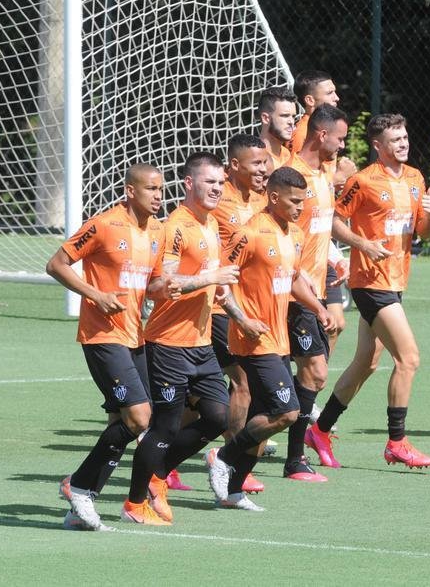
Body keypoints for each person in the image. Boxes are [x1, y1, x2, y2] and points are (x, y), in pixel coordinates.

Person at [306, 113, 430, 469]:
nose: (403, 143)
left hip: (396, 281)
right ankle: (397, 441)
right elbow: (334, 220)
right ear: (378, 146)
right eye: (395, 140)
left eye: (405, 137)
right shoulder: (363, 181)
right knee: (408, 358)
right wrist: (362, 244)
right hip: (370, 283)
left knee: (367, 362)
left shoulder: (415, 178)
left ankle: (319, 430)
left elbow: (424, 232)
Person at [121, 153, 241, 524]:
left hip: (200, 343)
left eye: (220, 183)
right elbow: (164, 286)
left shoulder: (209, 225)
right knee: (165, 426)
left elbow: (209, 279)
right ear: (189, 184)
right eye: (209, 182)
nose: (217, 189)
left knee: (218, 416)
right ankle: (134, 503)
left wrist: (237, 313)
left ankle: (159, 475)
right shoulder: (176, 225)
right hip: (168, 342)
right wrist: (210, 279)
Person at [204, 166, 333, 510]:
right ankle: (222, 456)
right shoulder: (248, 235)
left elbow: (290, 281)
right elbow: (221, 282)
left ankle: (232, 492)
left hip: (278, 339)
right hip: (252, 339)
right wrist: (241, 319)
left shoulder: (293, 233)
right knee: (287, 412)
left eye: (303, 201)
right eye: (293, 201)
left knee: (263, 418)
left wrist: (319, 308)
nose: (299, 208)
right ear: (273, 197)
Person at [47, 164, 165, 530]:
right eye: (151, 189)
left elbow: (154, 283)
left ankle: (79, 509)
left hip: (135, 336)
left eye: (161, 189)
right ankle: (79, 486)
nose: (159, 196)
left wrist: (167, 290)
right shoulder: (103, 225)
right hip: (102, 336)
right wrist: (95, 294)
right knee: (139, 417)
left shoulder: (158, 232)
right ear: (131, 191)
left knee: (123, 421)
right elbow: (57, 264)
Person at [282, 105, 350, 481]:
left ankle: (290, 456)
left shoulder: (324, 175)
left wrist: (334, 261)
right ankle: (294, 460)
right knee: (313, 373)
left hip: (315, 288)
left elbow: (319, 232)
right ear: (321, 135)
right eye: (339, 138)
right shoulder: (293, 178)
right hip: (293, 293)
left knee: (307, 374)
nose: (343, 145)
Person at [207, 133, 271, 494]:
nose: (264, 169)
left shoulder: (264, 200)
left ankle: (159, 452)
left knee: (194, 400)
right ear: (235, 166)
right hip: (221, 307)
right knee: (244, 382)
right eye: (256, 164)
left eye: (265, 162)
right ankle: (228, 461)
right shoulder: (218, 201)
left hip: (253, 309)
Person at [287, 70, 354, 354]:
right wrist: (339, 179)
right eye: (329, 92)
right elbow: (308, 186)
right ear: (310, 100)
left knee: (334, 324)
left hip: (319, 249)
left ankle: (305, 391)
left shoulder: (329, 131)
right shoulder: (305, 135)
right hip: (300, 260)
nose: (336, 97)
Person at [257, 86, 297, 169]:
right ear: (265, 118)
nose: (291, 122)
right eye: (284, 116)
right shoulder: (253, 158)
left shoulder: (287, 154)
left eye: (293, 116)